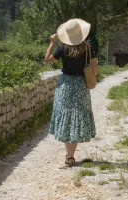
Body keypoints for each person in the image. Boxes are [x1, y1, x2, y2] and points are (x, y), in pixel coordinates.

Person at [45, 18, 99, 167]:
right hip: (81, 86)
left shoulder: (63, 49)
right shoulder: (88, 49)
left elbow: (47, 60)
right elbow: (95, 70)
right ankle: (71, 155)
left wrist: (52, 42)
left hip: (65, 85)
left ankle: (68, 155)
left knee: (67, 118)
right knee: (76, 118)